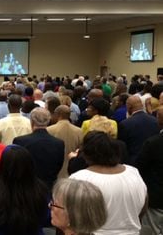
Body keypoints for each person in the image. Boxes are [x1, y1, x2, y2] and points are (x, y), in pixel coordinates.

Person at [70, 131, 147, 235]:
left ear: (86, 154)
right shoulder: (133, 172)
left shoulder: (79, 178)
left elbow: (70, 216)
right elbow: (143, 206)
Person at [13, 107, 64, 190]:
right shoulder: (59, 143)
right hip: (47, 187)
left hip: (25, 187)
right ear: (48, 121)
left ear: (32, 121)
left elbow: (16, 165)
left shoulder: (20, 141)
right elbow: (58, 166)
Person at [136, 107, 163, 235]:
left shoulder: (153, 143)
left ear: (159, 120)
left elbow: (140, 166)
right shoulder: (153, 142)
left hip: (156, 197)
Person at [118, 95, 159, 165]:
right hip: (152, 162)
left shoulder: (125, 124)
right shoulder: (155, 120)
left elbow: (122, 147)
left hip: (132, 163)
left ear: (129, 107)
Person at [47, 105, 83, 178]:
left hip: (54, 170)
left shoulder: (49, 130)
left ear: (57, 114)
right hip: (72, 171)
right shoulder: (79, 131)